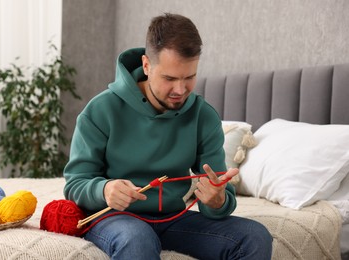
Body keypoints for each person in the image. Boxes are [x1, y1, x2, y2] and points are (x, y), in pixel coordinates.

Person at [64, 13, 272, 259]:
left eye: (189, 77)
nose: (180, 90)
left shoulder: (203, 116)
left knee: (255, 237)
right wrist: (104, 189)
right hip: (113, 218)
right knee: (138, 239)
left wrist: (216, 200)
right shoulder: (100, 110)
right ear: (146, 65)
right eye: (169, 78)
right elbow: (75, 184)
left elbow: (220, 197)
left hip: (173, 218)